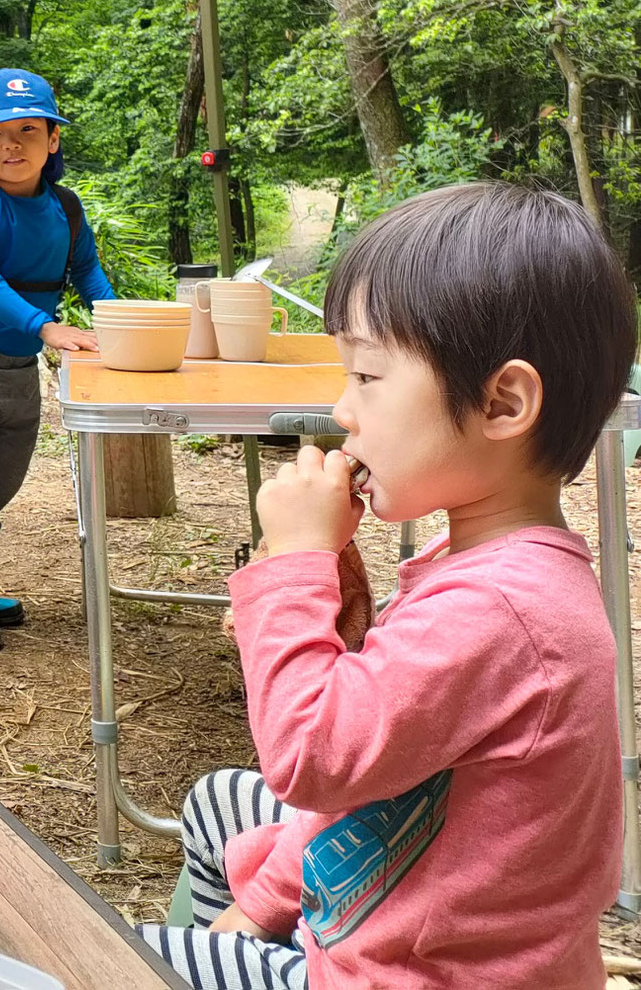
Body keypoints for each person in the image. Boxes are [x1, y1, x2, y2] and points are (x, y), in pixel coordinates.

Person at [140, 183, 635, 990]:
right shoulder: (486, 569)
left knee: (105, 956)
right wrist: (260, 904)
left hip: (426, 976)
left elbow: (313, 759)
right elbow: (380, 764)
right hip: (393, 900)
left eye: (367, 376)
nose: (344, 410)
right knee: (214, 804)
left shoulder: (500, 611)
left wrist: (292, 569)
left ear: (502, 402)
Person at [0, 68, 113, 652]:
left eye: (29, 130)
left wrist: (121, 324)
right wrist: (48, 327)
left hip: (19, 371)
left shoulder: (66, 208)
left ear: (53, 140)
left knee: (0, 481)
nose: (12, 144)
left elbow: (87, 274)